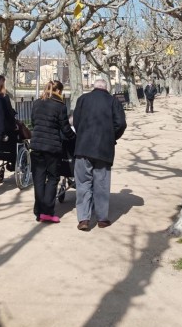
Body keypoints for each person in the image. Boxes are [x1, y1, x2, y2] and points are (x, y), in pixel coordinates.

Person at [73, 78, 127, 231]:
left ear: (93, 86)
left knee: (83, 183)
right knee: (101, 183)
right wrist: (111, 137)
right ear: (106, 88)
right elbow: (121, 123)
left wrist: (82, 134)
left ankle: (83, 219)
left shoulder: (82, 99)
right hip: (104, 148)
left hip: (83, 147)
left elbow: (76, 121)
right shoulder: (113, 101)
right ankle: (102, 218)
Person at [30, 79, 75, 223]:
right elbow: (65, 128)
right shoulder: (60, 106)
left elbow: (33, 122)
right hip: (52, 146)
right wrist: (75, 138)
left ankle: (38, 210)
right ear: (59, 91)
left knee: (38, 178)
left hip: (36, 145)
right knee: (53, 177)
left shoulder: (37, 103)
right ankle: (47, 211)